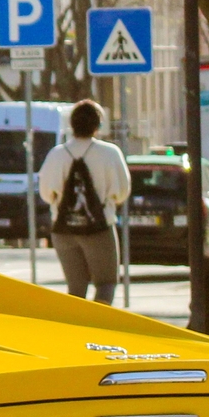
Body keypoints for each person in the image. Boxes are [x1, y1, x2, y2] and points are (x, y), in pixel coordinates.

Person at [37, 99, 132, 303]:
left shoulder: (57, 154)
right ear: (98, 125)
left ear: (71, 125)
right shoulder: (110, 153)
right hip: (99, 228)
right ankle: (98, 330)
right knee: (105, 284)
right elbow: (122, 192)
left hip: (63, 231)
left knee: (76, 289)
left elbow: (46, 194)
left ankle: (76, 330)